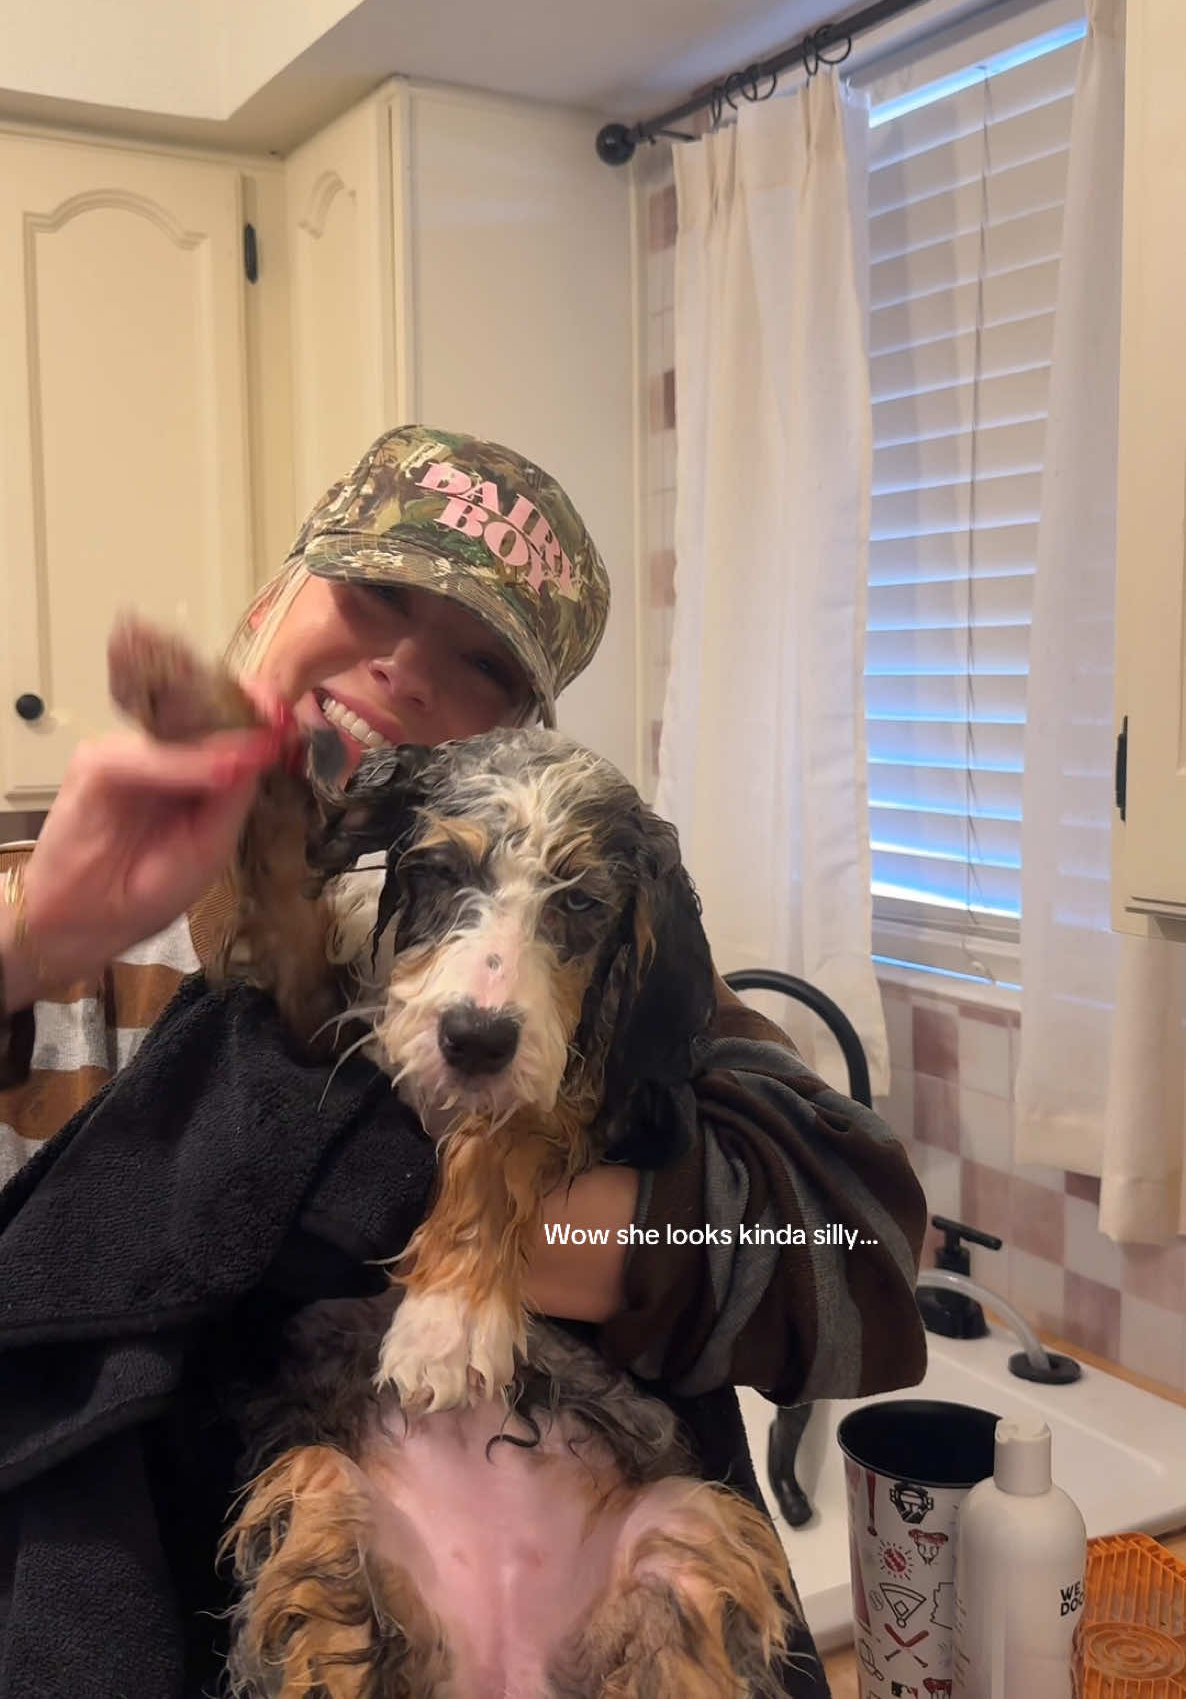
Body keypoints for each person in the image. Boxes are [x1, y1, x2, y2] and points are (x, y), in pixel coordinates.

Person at [0, 424, 928, 1697]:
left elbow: (859, 1257)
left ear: (516, 745)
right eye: (375, 595)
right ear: (275, 599)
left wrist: (543, 1231)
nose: (403, 670)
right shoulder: (55, 920)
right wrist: (29, 942)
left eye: (481, 663)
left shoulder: (594, 953)